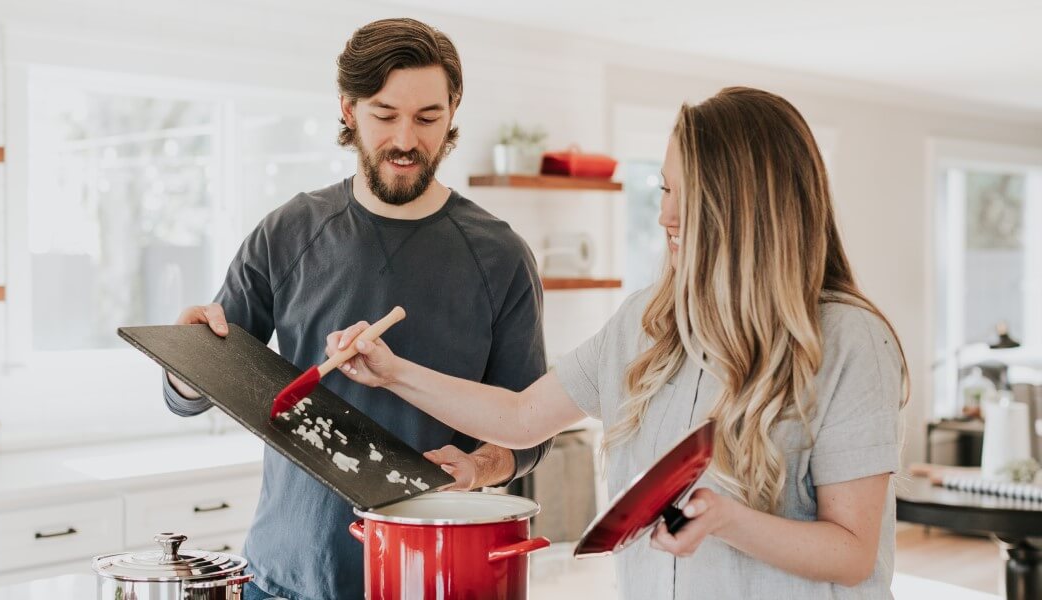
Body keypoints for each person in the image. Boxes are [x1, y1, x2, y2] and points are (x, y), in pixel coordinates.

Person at [328, 87, 910, 598]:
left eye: (688, 195)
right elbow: (522, 415)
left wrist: (726, 519)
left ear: (746, 207)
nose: (665, 215)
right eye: (663, 189)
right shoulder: (646, 323)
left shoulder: (848, 340)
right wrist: (392, 371)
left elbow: (853, 553)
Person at [161, 18, 552, 600]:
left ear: (452, 112)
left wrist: (482, 467)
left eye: (427, 118)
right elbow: (190, 394)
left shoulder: (500, 256)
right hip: (284, 576)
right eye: (385, 115)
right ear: (348, 109)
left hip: (430, 577)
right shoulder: (288, 232)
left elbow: (529, 426)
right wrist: (183, 360)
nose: (405, 140)